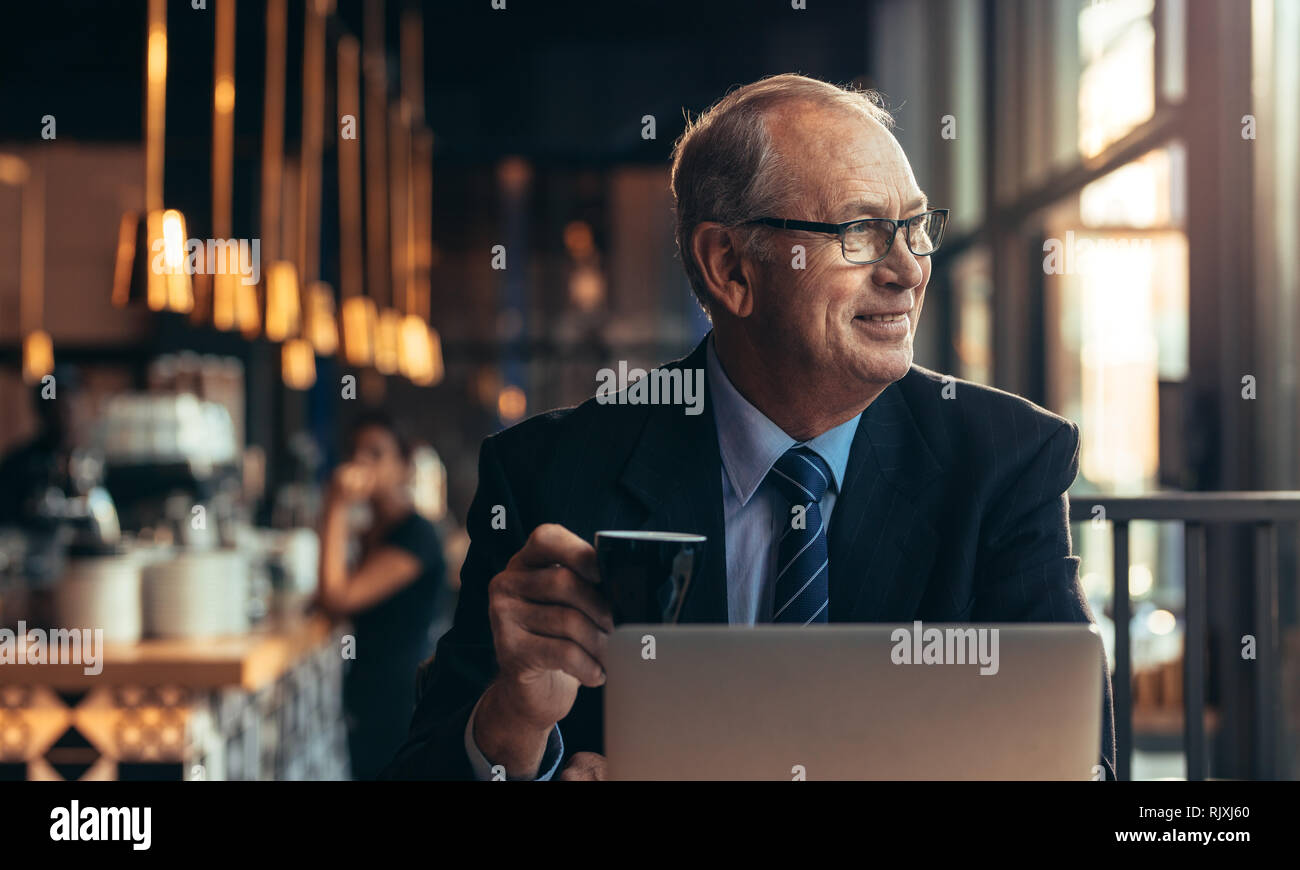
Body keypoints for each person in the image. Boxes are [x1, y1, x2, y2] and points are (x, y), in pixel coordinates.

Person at [384, 73, 1115, 781]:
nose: (908, 270)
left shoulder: (1004, 460)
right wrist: (516, 720)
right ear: (730, 267)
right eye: (860, 230)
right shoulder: (548, 475)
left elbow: (1081, 769)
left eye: (914, 228)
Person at [317, 410, 445, 780]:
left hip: (397, 698)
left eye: (376, 453)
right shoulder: (375, 532)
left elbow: (336, 599)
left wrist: (335, 506)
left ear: (405, 466)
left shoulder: (416, 535)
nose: (361, 462)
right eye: (356, 452)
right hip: (370, 692)